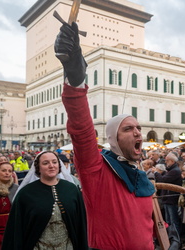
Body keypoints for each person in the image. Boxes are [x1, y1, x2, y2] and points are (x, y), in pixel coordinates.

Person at [55, 22, 156, 249]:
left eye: (138, 127)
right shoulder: (97, 168)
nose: (137, 132)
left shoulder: (139, 173)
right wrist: (75, 75)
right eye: (127, 129)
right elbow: (81, 130)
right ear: (114, 139)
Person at [1, 151, 87, 250]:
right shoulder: (26, 194)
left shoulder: (71, 190)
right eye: (45, 163)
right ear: (38, 168)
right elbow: (15, 230)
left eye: (54, 162)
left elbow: (81, 225)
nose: (51, 166)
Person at [154, 152, 182, 234]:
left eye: (167, 160)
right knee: (168, 221)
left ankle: (175, 239)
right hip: (168, 198)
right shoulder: (171, 170)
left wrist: (156, 173)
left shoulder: (175, 171)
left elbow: (163, 180)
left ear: (172, 161)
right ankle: (170, 238)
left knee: (173, 221)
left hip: (171, 199)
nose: (165, 162)